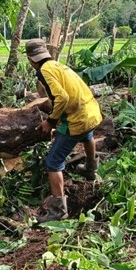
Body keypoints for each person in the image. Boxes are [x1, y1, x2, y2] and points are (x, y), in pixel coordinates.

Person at [25, 38, 102, 223]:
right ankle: (91, 169)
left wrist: (50, 122)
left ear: (31, 59)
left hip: (77, 117)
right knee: (87, 135)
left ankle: (58, 211)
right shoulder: (58, 65)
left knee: (53, 161)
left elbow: (62, 98)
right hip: (90, 111)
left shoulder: (44, 71)